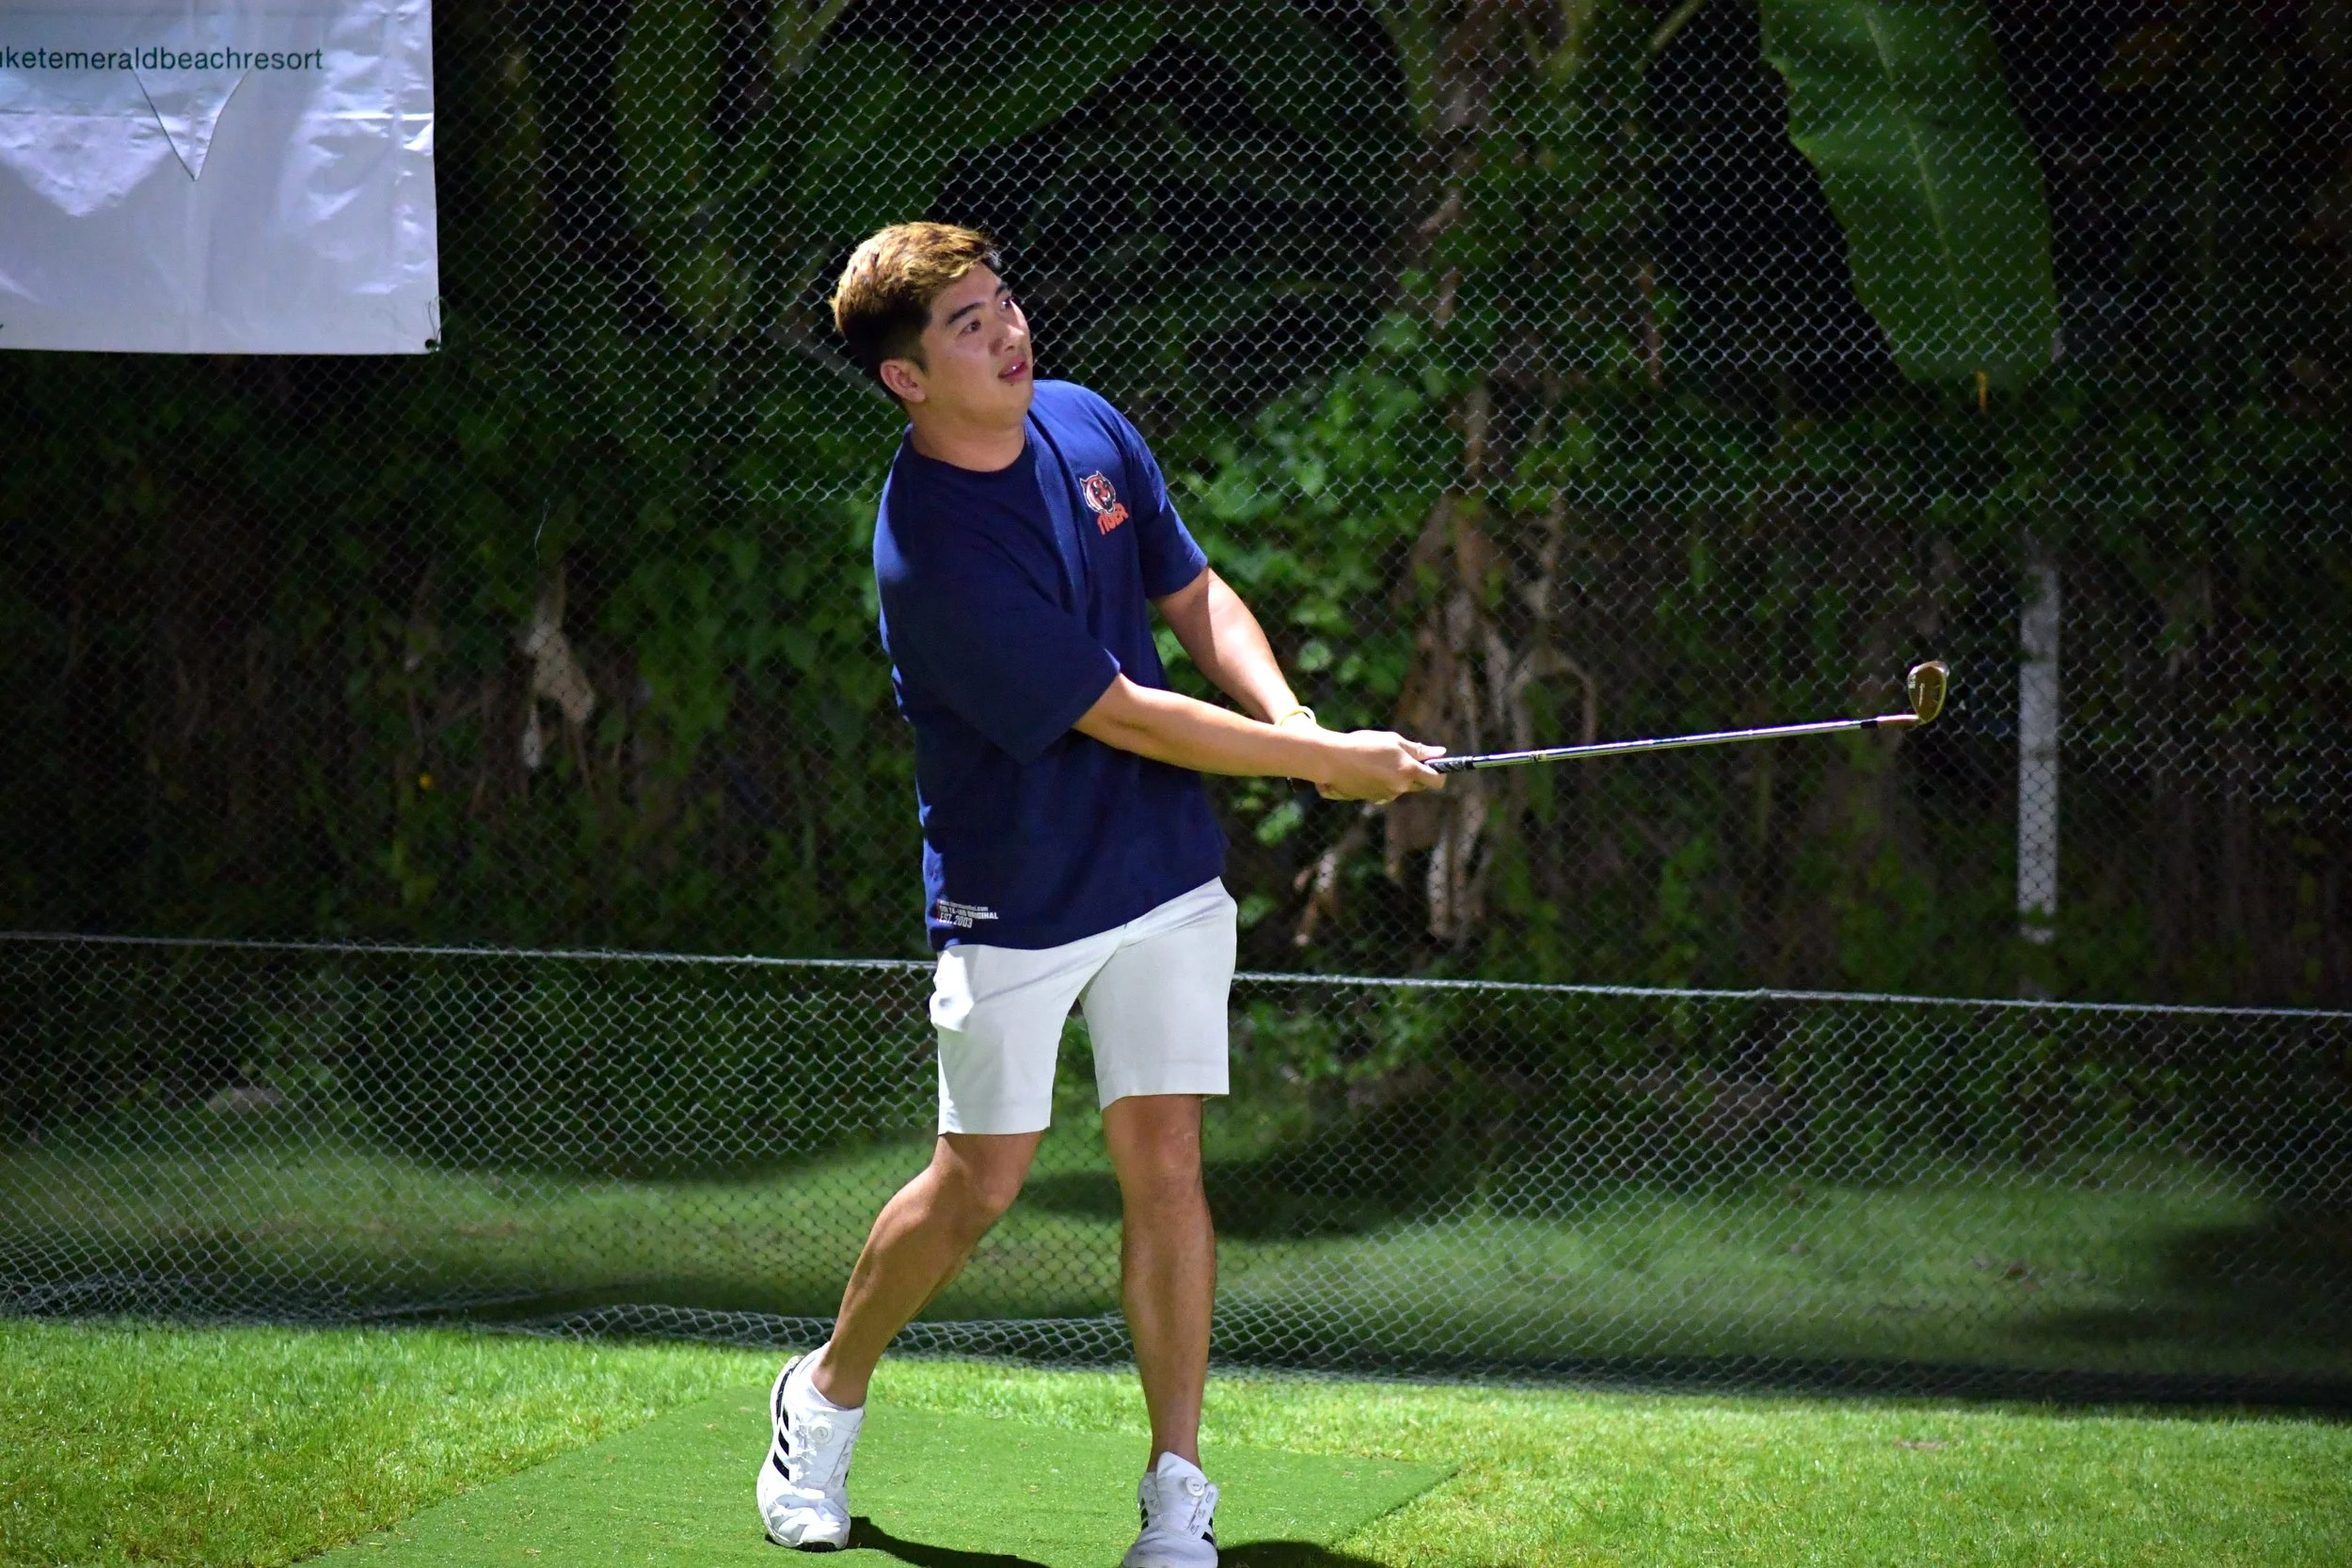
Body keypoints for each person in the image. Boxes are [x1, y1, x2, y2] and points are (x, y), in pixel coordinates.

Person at [756, 221, 1444, 1565]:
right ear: (907, 378)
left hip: (1161, 876)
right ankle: (823, 1394)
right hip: (1015, 897)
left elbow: (1192, 595)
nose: (1008, 329)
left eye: (1002, 298)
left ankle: (1175, 1486)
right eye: (966, 323)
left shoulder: (1081, 422)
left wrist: (1297, 721)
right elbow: (1121, 712)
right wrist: (1318, 764)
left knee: (1168, 1166)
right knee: (980, 1180)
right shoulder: (929, 551)